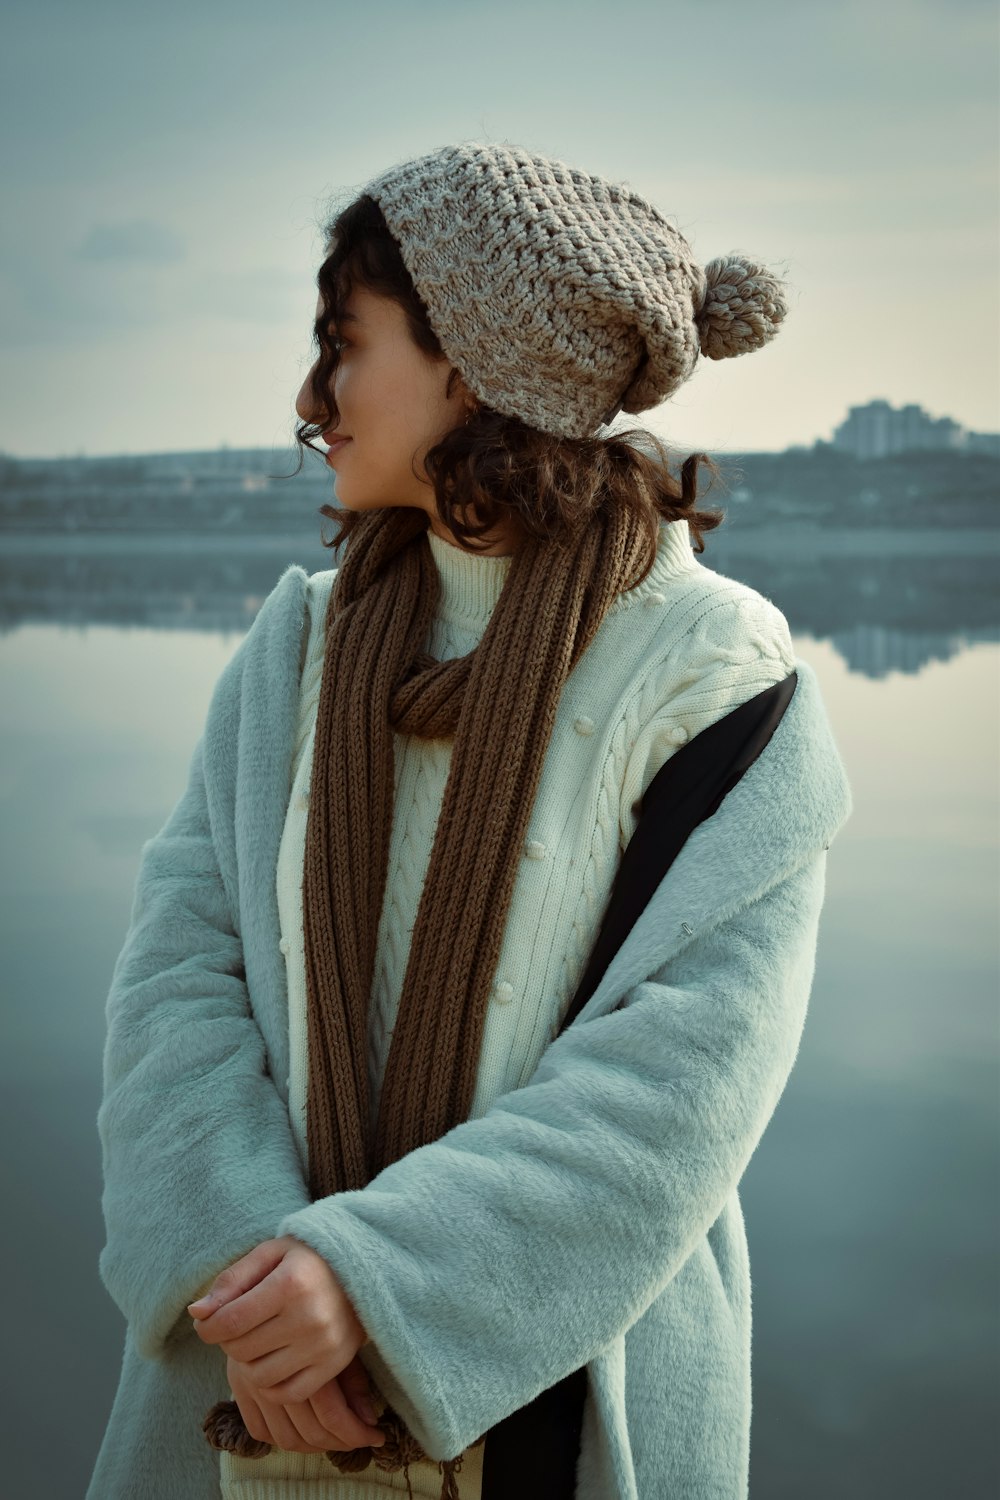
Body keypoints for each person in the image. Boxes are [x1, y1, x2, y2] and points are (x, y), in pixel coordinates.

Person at [87, 141, 853, 1500]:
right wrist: (258, 1288)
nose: (311, 400)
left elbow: (678, 1090)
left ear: (480, 359)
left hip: (562, 1425)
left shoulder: (718, 676)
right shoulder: (295, 651)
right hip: (252, 1395)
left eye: (344, 345)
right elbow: (174, 986)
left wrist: (376, 1291)